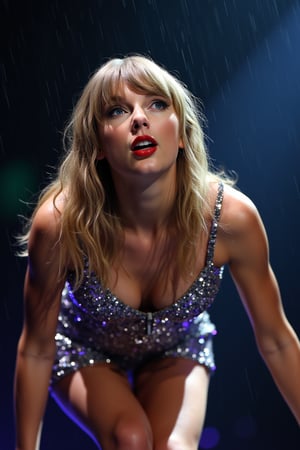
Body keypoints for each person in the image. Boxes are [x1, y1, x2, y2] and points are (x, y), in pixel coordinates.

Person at [14, 54, 300, 450]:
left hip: (177, 346)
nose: (139, 119)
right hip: (83, 347)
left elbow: (277, 340)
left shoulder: (231, 218)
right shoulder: (61, 224)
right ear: (98, 144)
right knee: (131, 438)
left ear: (181, 132)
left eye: (157, 104)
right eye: (118, 110)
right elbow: (35, 349)